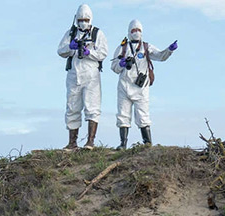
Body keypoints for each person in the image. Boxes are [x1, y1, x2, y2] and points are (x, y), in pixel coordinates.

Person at [110, 20, 177, 149]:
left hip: (141, 86)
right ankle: (123, 144)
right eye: (133, 30)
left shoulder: (146, 47)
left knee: (143, 115)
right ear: (129, 32)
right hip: (124, 85)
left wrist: (169, 50)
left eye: (138, 30)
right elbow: (114, 67)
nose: (136, 33)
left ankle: (147, 143)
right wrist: (121, 64)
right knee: (123, 114)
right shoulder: (122, 48)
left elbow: (160, 56)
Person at [57, 4, 109, 150]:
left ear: (90, 19)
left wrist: (89, 53)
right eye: (80, 19)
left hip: (91, 74)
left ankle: (90, 141)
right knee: (72, 106)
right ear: (76, 19)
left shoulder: (97, 34)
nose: (83, 22)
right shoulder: (71, 33)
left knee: (92, 106)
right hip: (74, 74)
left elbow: (103, 53)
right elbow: (60, 50)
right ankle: (72, 142)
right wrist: (71, 47)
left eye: (86, 19)